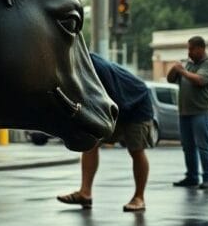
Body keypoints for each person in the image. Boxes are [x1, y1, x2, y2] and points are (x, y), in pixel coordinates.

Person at [57, 53, 154, 212]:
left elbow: (103, 99)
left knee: (136, 150)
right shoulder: (77, 63)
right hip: (117, 103)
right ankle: (85, 193)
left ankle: (139, 198)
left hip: (136, 102)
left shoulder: (94, 68)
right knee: (90, 143)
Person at [167, 35, 208, 190]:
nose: (189, 52)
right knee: (187, 146)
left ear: (201, 48)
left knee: (203, 145)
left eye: (191, 49)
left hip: (201, 112)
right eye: (188, 49)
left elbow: (199, 80)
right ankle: (192, 176)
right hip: (185, 112)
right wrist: (174, 69)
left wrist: (182, 71)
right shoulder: (188, 64)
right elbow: (171, 80)